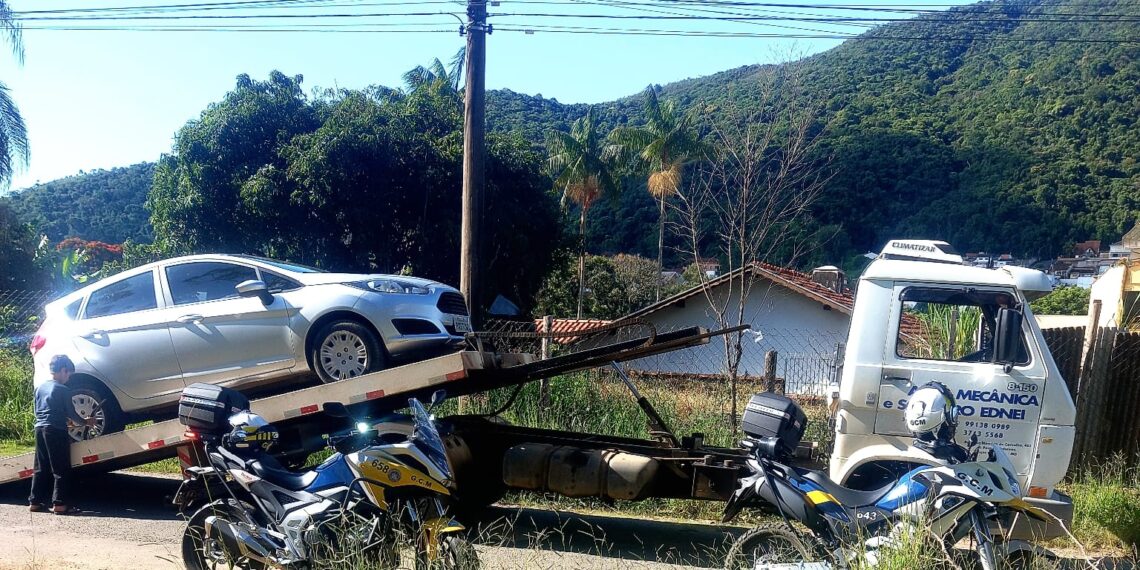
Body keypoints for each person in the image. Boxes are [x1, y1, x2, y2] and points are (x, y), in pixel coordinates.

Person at [28, 354, 96, 515]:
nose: (69, 378)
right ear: (64, 370)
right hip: (56, 431)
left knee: (40, 467)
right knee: (61, 468)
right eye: (69, 374)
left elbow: (40, 411)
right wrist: (87, 421)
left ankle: (35, 501)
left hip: (40, 428)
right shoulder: (63, 390)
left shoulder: (40, 388)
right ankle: (60, 504)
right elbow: (73, 415)